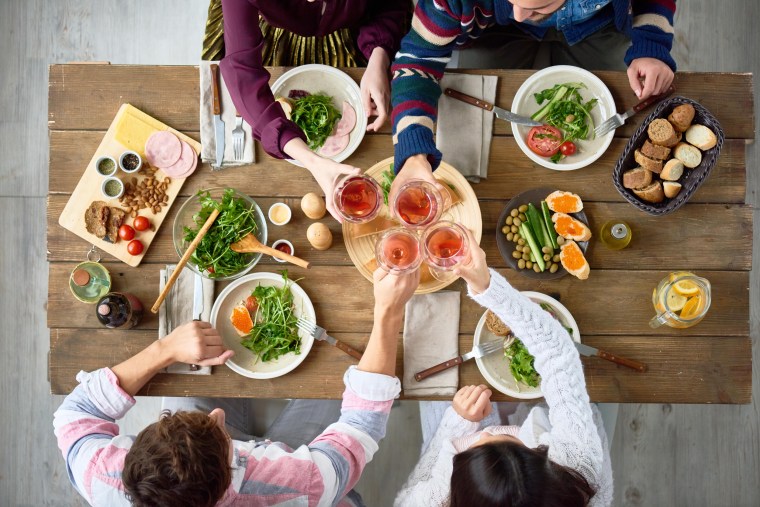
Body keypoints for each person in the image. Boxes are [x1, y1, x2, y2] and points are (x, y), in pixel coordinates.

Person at [53, 268, 419, 506]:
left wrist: (165, 350)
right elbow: (360, 427)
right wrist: (388, 311)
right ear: (227, 480)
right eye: (220, 433)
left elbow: (75, 413)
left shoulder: (101, 474)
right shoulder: (302, 485)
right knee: (345, 398)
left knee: (194, 376)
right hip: (307, 482)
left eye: (168, 419)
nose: (218, 416)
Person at [394, 229, 613, 506]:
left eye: (478, 445)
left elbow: (417, 485)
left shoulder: (427, 501)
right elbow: (559, 356)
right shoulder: (577, 468)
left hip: (455, 442)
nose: (486, 433)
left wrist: (457, 423)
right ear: (545, 460)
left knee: (434, 393)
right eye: (521, 446)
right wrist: (487, 286)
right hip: (564, 432)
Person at [388, 0, 676, 203]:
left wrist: (651, 44)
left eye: (537, 6)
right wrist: (413, 148)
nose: (519, 13)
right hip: (494, 30)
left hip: (599, 26)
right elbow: (417, 62)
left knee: (619, 92)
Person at [214, 0, 411, 221]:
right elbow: (243, 74)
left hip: (364, 24)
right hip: (286, 31)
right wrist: (313, 161)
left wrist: (378, 57)